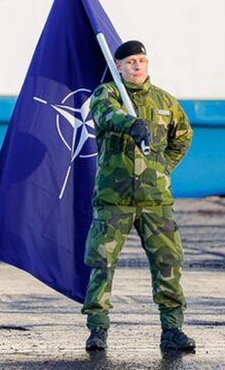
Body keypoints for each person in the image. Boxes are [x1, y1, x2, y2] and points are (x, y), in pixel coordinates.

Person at [82, 40, 194, 352]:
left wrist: (162, 168)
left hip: (155, 200)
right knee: (102, 263)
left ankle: (172, 329)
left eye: (141, 60)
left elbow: (183, 136)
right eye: (130, 61)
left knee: (167, 262)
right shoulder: (108, 94)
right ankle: (97, 330)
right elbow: (104, 116)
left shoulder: (164, 101)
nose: (137, 66)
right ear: (118, 66)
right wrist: (132, 124)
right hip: (113, 197)